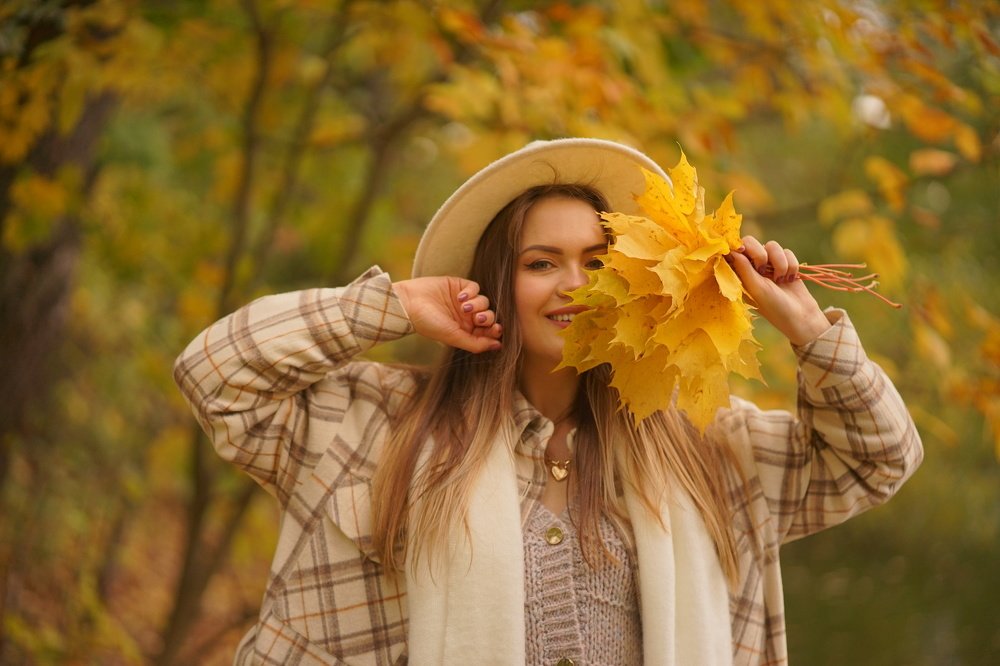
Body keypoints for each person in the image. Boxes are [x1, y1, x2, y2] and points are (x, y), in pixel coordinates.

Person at [174, 138, 922, 665]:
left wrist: (803, 324)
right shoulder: (374, 423)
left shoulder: (709, 451)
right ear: (496, 280)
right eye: (541, 263)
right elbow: (215, 376)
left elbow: (878, 460)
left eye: (598, 263)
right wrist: (390, 307)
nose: (573, 285)